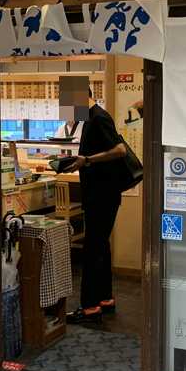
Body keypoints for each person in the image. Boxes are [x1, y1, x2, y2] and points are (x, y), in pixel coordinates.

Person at [64, 90, 126, 323]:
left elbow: (119, 150)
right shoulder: (92, 118)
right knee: (100, 246)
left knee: (92, 248)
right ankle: (105, 299)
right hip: (102, 194)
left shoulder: (98, 117)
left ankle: (89, 306)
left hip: (102, 195)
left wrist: (86, 160)